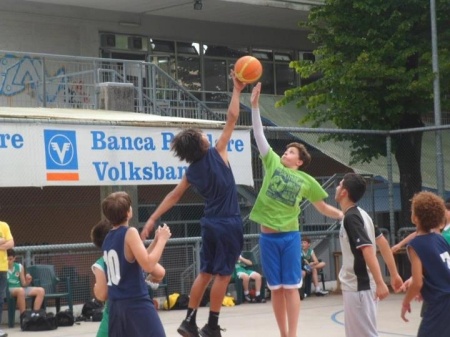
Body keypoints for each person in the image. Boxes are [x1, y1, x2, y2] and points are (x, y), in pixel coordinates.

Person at [140, 70, 246, 337]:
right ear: (202, 143)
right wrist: (237, 89)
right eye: (201, 134)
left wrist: (152, 218)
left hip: (209, 223)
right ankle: (211, 325)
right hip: (228, 222)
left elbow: (173, 196)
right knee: (223, 276)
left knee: (205, 272)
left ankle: (189, 320)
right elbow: (232, 118)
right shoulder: (217, 152)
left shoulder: (191, 172)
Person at [249, 82, 344, 337]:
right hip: (268, 237)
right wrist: (255, 107)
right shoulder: (272, 164)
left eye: (290, 151)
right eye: (286, 150)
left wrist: (344, 214)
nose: (285, 153)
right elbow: (259, 135)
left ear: (299, 162)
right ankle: (283, 333)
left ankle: (293, 334)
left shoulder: (306, 181)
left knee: (291, 288)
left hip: (290, 237)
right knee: (276, 289)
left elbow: (323, 206)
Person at [335, 173, 403, 337]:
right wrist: (394, 275)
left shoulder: (352, 218)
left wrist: (381, 282)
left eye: (340, 184)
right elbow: (383, 244)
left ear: (344, 192)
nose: (337, 187)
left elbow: (367, 249)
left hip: (360, 287)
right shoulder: (362, 214)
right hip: (360, 286)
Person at [101, 191, 171, 337]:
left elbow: (137, 260)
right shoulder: (130, 232)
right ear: (128, 212)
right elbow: (148, 265)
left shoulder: (108, 238)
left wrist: (155, 241)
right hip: (135, 302)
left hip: (116, 306)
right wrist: (163, 240)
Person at [400, 191, 450, 336]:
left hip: (440, 303)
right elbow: (439, 268)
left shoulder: (415, 245)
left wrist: (406, 302)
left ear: (415, 217)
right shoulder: (439, 238)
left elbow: (417, 283)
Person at [6, 249, 45, 316]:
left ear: (14, 258)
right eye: (7, 259)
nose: (9, 261)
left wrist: (27, 281)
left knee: (41, 290)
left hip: (19, 288)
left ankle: (34, 315)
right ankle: (23, 316)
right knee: (21, 291)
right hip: (8, 289)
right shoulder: (2, 267)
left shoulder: (19, 267)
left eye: (10, 259)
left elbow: (23, 284)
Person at [0, 220, 14, 337]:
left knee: (0, 298)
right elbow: (6, 242)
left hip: (2, 268)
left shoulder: (4, 225)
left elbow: (11, 243)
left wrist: (4, 242)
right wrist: (2, 240)